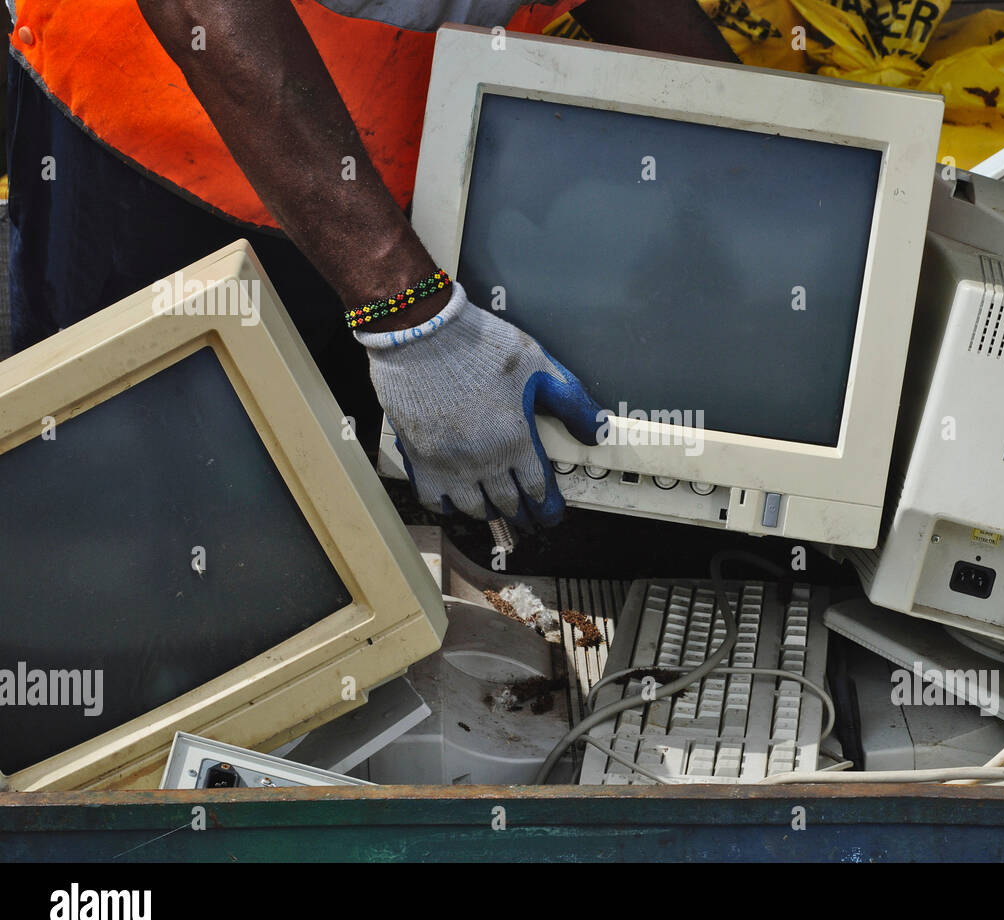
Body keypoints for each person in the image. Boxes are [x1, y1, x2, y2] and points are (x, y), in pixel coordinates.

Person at [6, 0, 737, 528]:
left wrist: (751, 142)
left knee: (355, 531)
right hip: (165, 146)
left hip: (416, 147)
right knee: (153, 519)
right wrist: (411, 320)